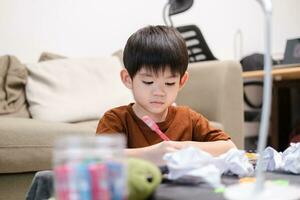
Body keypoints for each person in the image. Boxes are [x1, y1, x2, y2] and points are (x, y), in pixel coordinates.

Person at [96, 25, 236, 165]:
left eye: (169, 83)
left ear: (182, 81)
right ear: (128, 79)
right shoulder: (115, 120)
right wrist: (150, 154)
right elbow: (100, 156)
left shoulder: (188, 118)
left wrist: (178, 148)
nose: (159, 93)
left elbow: (229, 147)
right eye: (148, 82)